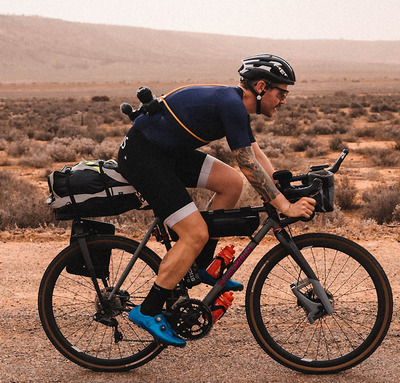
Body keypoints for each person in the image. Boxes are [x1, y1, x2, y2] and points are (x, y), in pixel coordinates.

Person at [118, 54, 316, 347]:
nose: (283, 100)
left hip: (165, 152)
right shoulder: (232, 104)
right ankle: (148, 311)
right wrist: (283, 206)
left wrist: (279, 186)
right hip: (144, 157)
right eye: (281, 92)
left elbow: (254, 153)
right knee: (194, 232)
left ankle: (200, 266)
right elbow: (248, 163)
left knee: (231, 182)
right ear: (261, 86)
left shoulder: (234, 103)